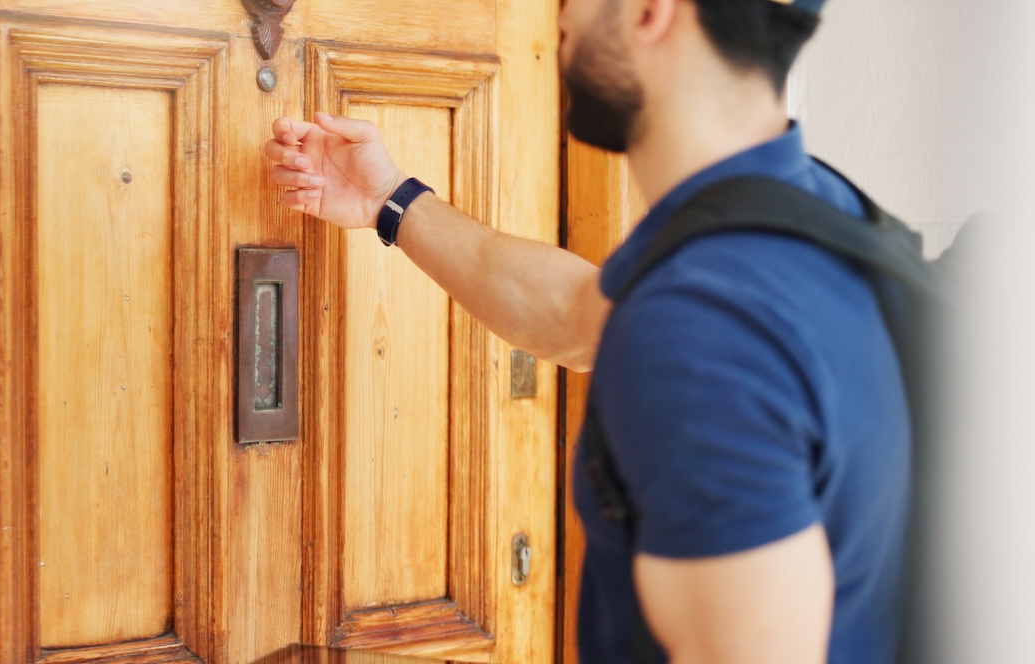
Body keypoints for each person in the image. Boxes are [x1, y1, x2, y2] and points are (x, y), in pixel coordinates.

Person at [261, 0, 909, 661]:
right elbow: (575, 313)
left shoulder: (701, 331)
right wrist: (389, 199)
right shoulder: (820, 216)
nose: (561, 14)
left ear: (652, 11)